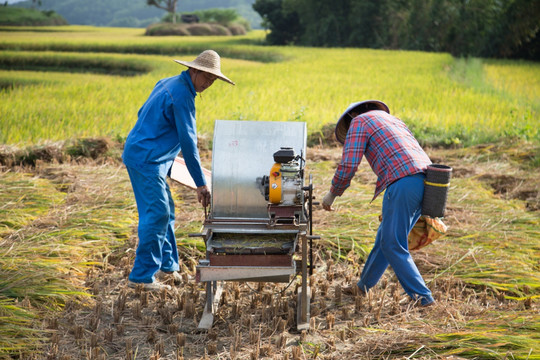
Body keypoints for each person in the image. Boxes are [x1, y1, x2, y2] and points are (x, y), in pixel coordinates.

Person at [122, 50, 235, 291]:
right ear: (194, 70)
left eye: (213, 80)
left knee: (167, 211)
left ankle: (168, 266)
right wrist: (201, 183)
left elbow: (144, 114)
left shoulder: (168, 82)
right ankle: (141, 277)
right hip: (147, 159)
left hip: (148, 154)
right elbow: (188, 142)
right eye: (206, 78)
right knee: (157, 214)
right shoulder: (182, 95)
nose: (208, 84)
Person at [322, 100, 435, 306]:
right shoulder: (394, 121)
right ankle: (362, 287)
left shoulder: (359, 122)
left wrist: (332, 194)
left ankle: (423, 298)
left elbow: (348, 164)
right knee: (385, 238)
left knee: (393, 244)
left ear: (352, 115)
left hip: (404, 183)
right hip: (429, 182)